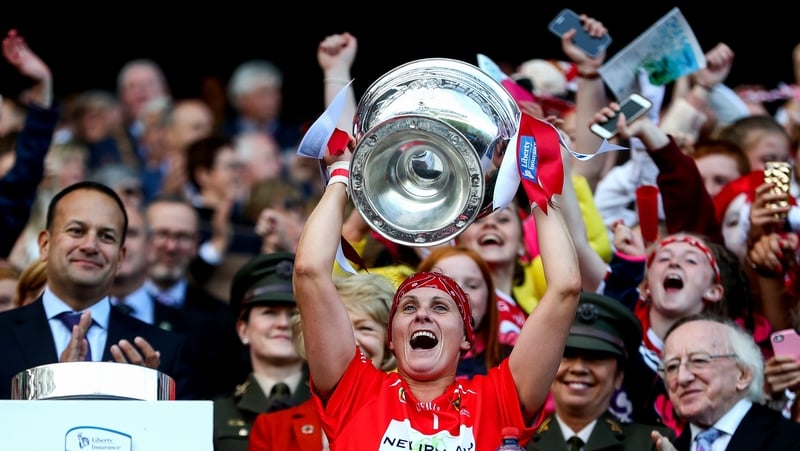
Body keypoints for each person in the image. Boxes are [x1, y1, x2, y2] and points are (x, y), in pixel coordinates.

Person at [292, 126, 581, 447]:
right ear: (390, 337)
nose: (422, 315)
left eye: (441, 307)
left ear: (467, 338)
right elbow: (309, 273)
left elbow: (565, 289)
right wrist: (341, 175)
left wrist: (533, 182)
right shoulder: (356, 390)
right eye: (409, 307)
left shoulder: (497, 400)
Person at [0, 181, 195, 399]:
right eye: (76, 231)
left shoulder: (163, 350)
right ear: (45, 244)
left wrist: (147, 401)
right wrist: (55, 386)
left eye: (106, 237)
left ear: (120, 257)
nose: (90, 246)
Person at [247, 272, 397, 451]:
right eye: (337, 327)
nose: (351, 342)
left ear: (387, 344)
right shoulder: (272, 428)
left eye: (365, 328)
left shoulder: (414, 421)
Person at [527, 292, 675, 450]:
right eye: (566, 355)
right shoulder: (520, 444)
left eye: (595, 357)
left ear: (618, 376)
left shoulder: (652, 444)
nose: (578, 368)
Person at [656, 314, 800, 450]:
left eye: (699, 360)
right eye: (672, 366)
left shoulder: (791, 440)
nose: (682, 378)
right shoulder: (665, 448)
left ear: (742, 375)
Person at [213, 252, 311, 451]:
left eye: (294, 314)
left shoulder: (333, 409)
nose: (283, 324)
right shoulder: (213, 414)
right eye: (269, 313)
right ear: (243, 330)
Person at [416, 245, 507, 379]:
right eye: (445, 284)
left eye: (472, 285)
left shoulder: (513, 366)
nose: (460, 294)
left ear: (488, 301)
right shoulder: (393, 366)